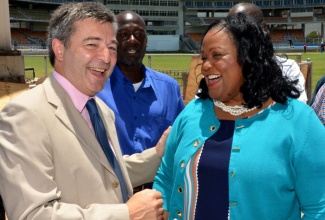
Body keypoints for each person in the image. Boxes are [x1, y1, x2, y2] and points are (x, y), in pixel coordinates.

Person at [0, 2, 168, 219]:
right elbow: (33, 214)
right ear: (60, 49)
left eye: (112, 47)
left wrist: (157, 154)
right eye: (92, 45)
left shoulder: (100, 109)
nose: (106, 58)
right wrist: (127, 213)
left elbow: (104, 173)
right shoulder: (25, 114)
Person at [153, 13, 325, 220]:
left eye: (216, 55)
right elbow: (166, 181)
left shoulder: (298, 122)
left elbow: (319, 209)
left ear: (248, 58)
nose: (206, 65)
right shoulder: (192, 113)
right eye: (204, 57)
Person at [97, 10, 184, 192]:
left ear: (146, 41)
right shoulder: (95, 89)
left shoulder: (169, 88)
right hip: (111, 194)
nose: (132, 40)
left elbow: (180, 143)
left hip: (158, 195)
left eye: (139, 35)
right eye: (123, 35)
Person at [228, 2, 308, 103]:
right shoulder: (217, 69)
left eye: (245, 29)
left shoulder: (288, 68)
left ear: (263, 28)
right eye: (232, 30)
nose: (239, 37)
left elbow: (298, 110)